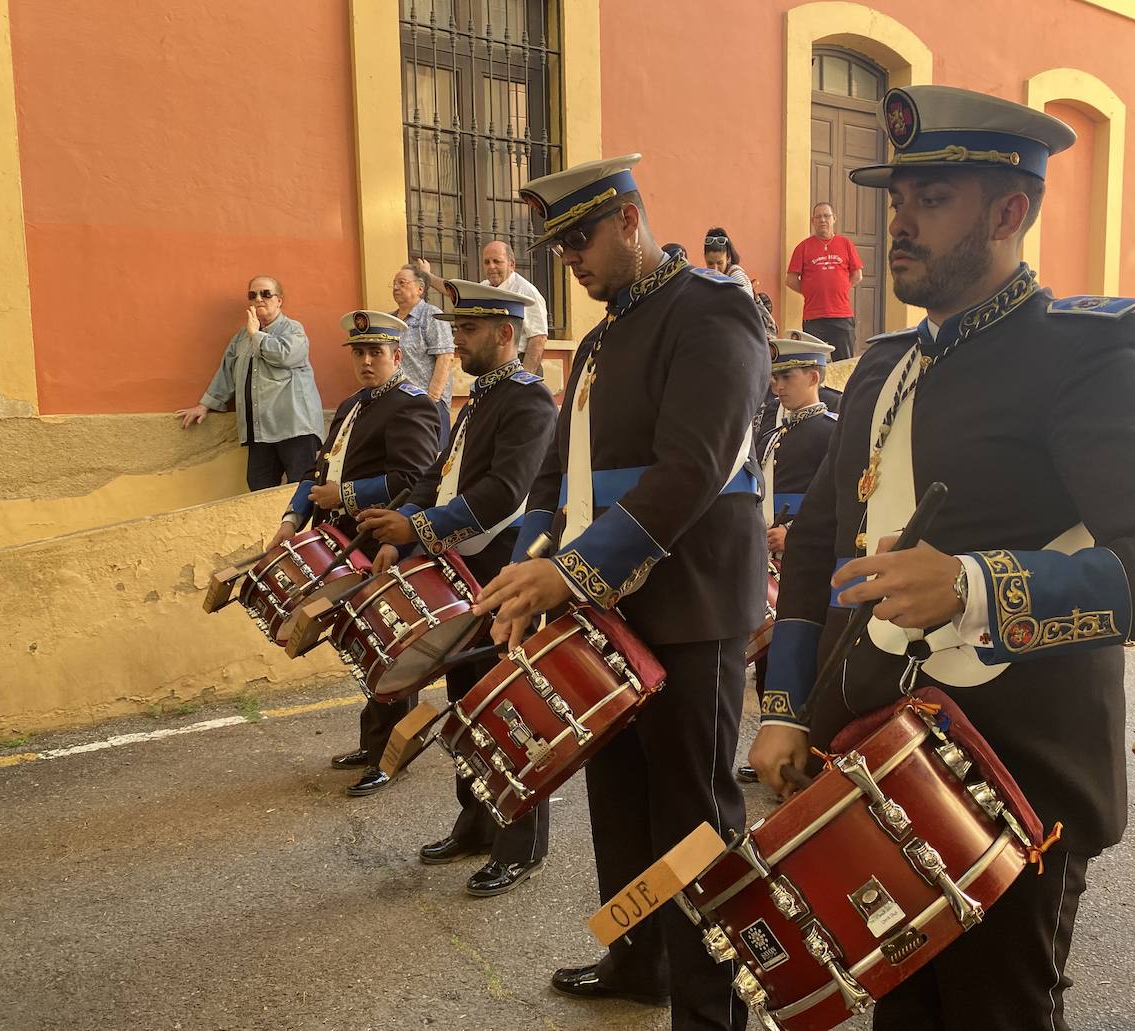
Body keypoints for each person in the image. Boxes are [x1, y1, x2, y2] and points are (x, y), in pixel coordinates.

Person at [747, 85, 1135, 1030]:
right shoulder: (881, 365)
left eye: (933, 200)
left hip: (1016, 781)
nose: (902, 224)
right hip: (872, 754)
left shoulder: (1086, 357)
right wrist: (785, 706)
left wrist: (975, 586)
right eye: (898, 201)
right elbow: (816, 552)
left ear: (1011, 211)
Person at [471, 154, 769, 1031]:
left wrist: (567, 571)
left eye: (581, 238)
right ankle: (640, 960)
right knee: (620, 801)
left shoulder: (716, 311)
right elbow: (558, 478)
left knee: (694, 815)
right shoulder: (600, 340)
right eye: (558, 246)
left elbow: (694, 468)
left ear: (631, 219)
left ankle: (710, 1011)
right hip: (605, 604)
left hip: (693, 603)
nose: (570, 258)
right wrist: (526, 561)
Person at [356, 280, 557, 897]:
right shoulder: (478, 400)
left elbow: (504, 491)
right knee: (467, 707)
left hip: (503, 570)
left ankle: (521, 843)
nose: (456, 340)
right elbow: (437, 477)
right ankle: (475, 822)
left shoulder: (529, 400)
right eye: (457, 329)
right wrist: (404, 534)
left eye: (467, 331)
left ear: (504, 335)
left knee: (509, 711)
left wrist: (418, 524)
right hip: (460, 570)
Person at [271, 311, 441, 797]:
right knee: (362, 647)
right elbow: (314, 470)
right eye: (359, 353)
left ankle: (391, 755)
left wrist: (344, 495)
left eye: (376, 353)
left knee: (388, 650)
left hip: (382, 542)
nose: (366, 362)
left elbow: (414, 479)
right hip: (340, 543)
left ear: (397, 356)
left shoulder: (413, 405)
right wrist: (290, 521)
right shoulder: (351, 405)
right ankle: (374, 743)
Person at [735, 335, 837, 785]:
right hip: (766, 551)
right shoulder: (772, 431)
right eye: (774, 376)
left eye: (788, 376)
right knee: (769, 664)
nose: (778, 385)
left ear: (815, 376)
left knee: (802, 656)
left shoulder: (832, 429)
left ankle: (808, 752)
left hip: (802, 554)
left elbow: (834, 499)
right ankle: (772, 748)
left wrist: (793, 535)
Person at [175, 275, 324, 491]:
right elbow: (227, 372)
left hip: (294, 427)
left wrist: (257, 335)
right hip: (260, 431)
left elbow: (287, 356)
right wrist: (205, 405)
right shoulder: (241, 338)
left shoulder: (293, 329)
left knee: (301, 491)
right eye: (252, 295)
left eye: (266, 294)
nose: (258, 299)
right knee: (258, 489)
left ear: (279, 300)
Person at [415, 242, 549, 374]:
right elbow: (452, 291)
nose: (491, 266)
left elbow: (538, 338)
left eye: (497, 261)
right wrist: (428, 276)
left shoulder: (526, 291)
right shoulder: (486, 287)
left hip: (518, 365)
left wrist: (525, 377)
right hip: (493, 366)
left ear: (512, 264)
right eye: (487, 262)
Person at [786, 202, 864, 360]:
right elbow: (791, 280)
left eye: (826, 216)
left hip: (841, 315)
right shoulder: (803, 247)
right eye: (818, 216)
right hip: (813, 317)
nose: (822, 220)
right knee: (812, 363)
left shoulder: (846, 244)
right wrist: (810, 291)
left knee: (844, 365)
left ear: (834, 218)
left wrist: (842, 288)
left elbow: (857, 274)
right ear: (812, 221)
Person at [391, 264, 455, 448]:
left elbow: (445, 357)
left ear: (420, 288)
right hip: (397, 405)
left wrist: (430, 400)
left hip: (427, 404)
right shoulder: (389, 320)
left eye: (402, 283)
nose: (396, 287)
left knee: (430, 463)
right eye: (394, 283)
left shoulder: (431, 315)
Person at [702, 228, 754, 296]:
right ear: (705, 258)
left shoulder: (736, 276)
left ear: (728, 258)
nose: (715, 269)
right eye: (710, 263)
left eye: (720, 263)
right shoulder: (704, 274)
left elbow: (747, 304)